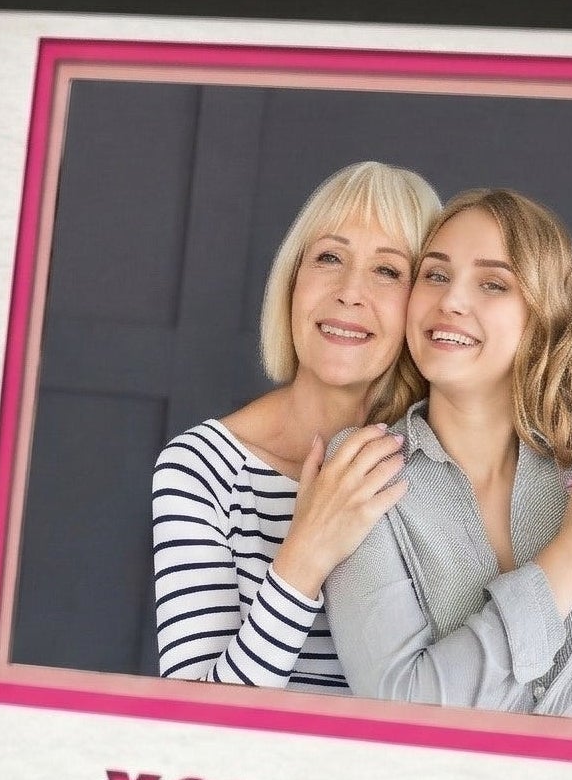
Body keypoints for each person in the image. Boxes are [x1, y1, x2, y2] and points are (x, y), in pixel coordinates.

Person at [324, 188, 572, 726]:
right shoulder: (365, 469)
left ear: (542, 314)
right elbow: (399, 705)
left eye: (493, 284)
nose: (451, 301)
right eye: (435, 275)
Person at [151, 162, 440, 692]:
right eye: (329, 257)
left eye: (388, 271)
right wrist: (305, 552)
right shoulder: (200, 469)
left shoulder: (449, 465)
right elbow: (195, 723)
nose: (350, 292)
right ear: (292, 282)